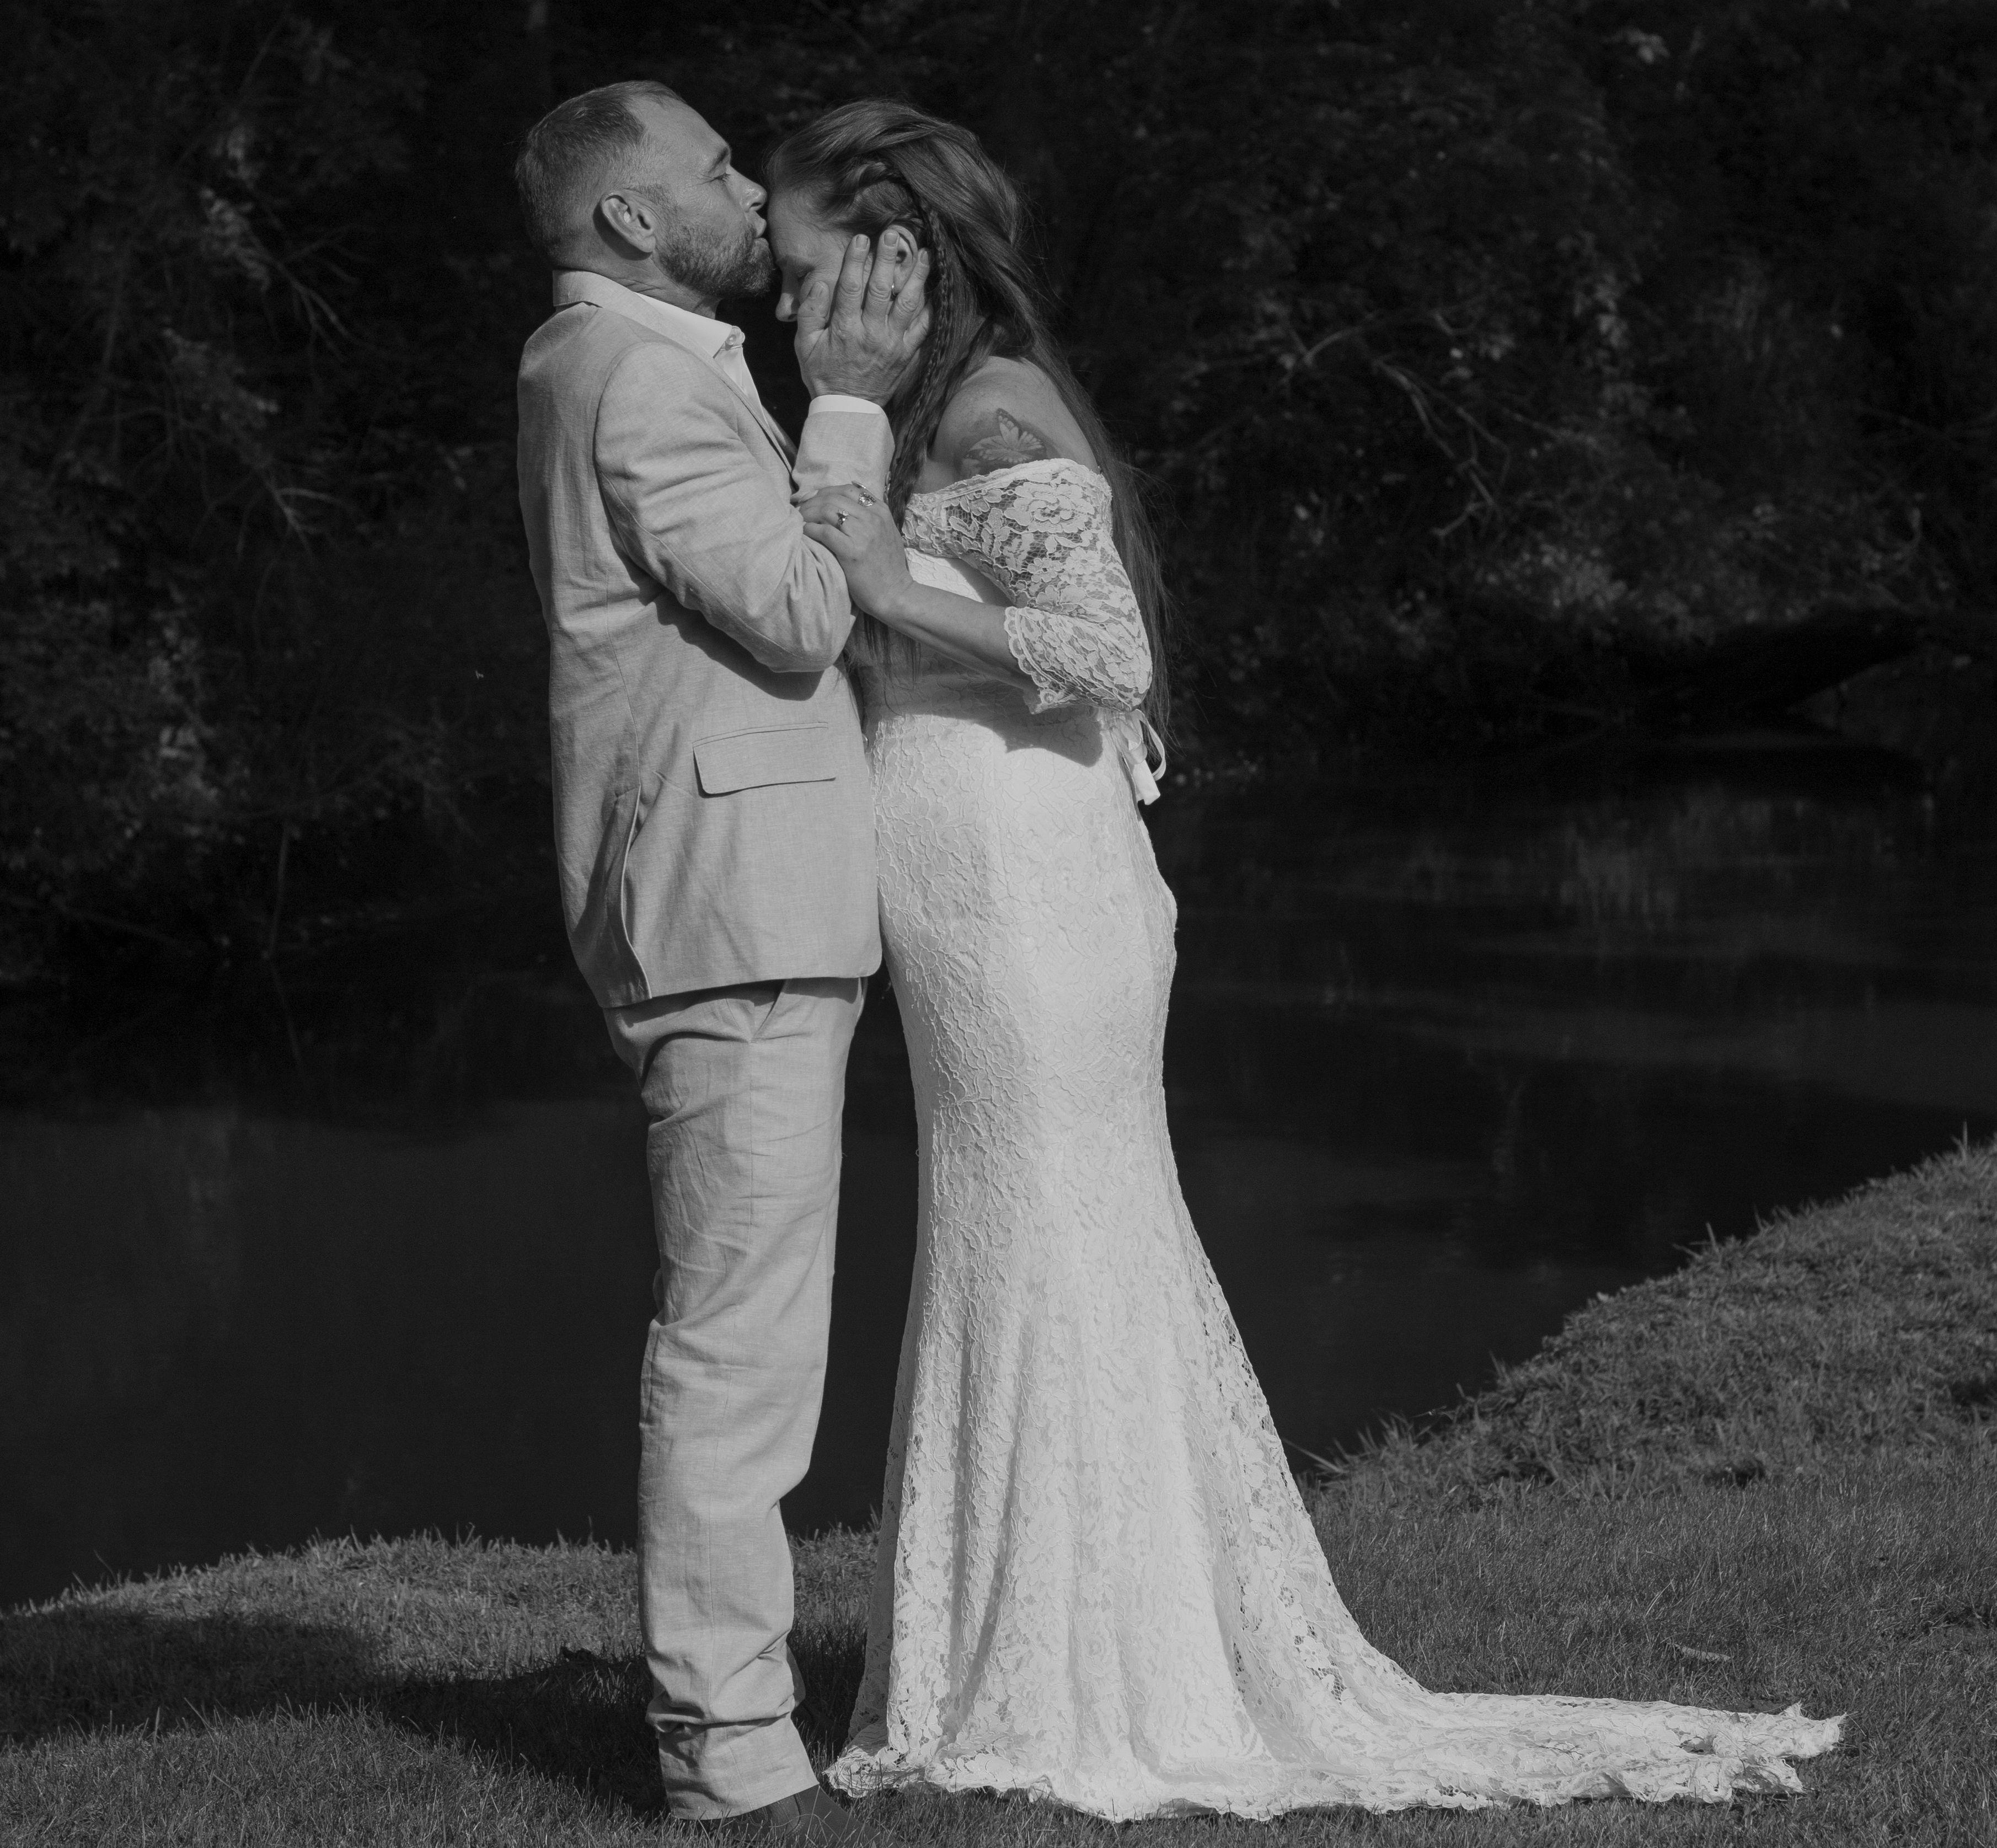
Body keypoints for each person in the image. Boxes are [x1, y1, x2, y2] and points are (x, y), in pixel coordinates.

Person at [766, 98, 1845, 1821]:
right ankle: (1053, 1649)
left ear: (893, 244)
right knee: (1019, 1231)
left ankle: (1071, 1680)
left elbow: (1102, 651)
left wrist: (893, 590)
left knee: (1042, 1228)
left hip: (1026, 888)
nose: (779, 280)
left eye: (800, 247)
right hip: (976, 883)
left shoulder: (989, 406)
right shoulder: (923, 407)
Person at [512, 81, 927, 1841]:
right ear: (628, 216)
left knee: (742, 1334)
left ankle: (730, 1723)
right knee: (736, 1353)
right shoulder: (638, 378)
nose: (752, 191)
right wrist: (850, 406)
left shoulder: (619, 360)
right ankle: (730, 1758)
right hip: (728, 904)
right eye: (713, 170)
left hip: (722, 896)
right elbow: (801, 608)